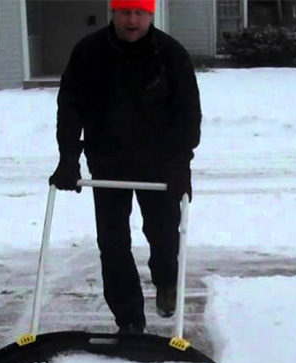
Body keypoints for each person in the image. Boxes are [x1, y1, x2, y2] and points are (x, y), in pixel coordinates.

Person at [48, 0, 202, 335]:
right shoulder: (89, 53)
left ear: (150, 14)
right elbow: (70, 107)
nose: (131, 20)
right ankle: (129, 318)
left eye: (139, 13)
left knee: (163, 235)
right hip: (107, 160)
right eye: (124, 12)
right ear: (113, 12)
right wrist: (68, 158)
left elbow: (188, 113)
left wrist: (180, 165)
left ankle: (165, 281)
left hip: (159, 163)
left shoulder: (171, 54)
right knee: (112, 242)